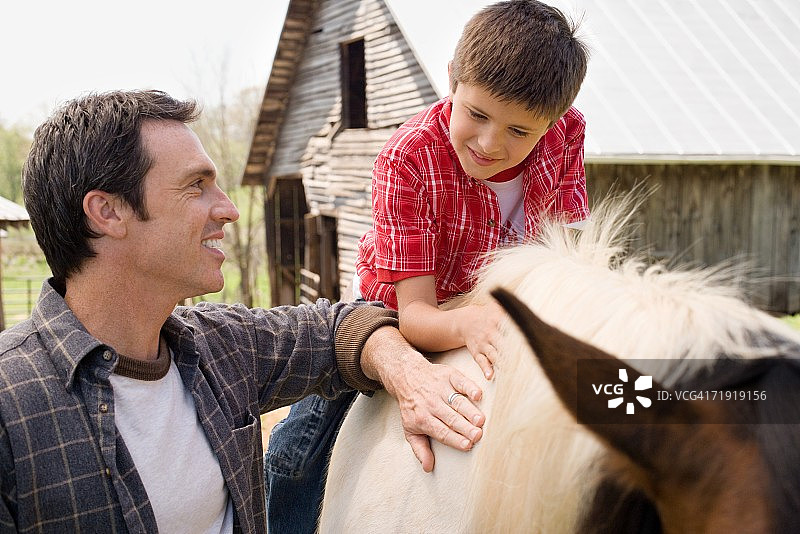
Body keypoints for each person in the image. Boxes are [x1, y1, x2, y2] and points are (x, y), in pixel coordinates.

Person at [0, 90, 486, 533]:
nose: (229, 209)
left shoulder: (220, 346)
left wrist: (406, 372)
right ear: (107, 212)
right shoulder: (10, 404)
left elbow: (340, 327)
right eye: (196, 186)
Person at [265, 0, 591, 531]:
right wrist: (467, 320)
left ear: (551, 123)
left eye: (519, 131)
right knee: (298, 449)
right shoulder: (409, 156)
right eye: (478, 115)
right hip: (396, 307)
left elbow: (563, 250)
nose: (491, 144)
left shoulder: (566, 133)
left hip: (502, 304)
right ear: (452, 80)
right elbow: (415, 315)